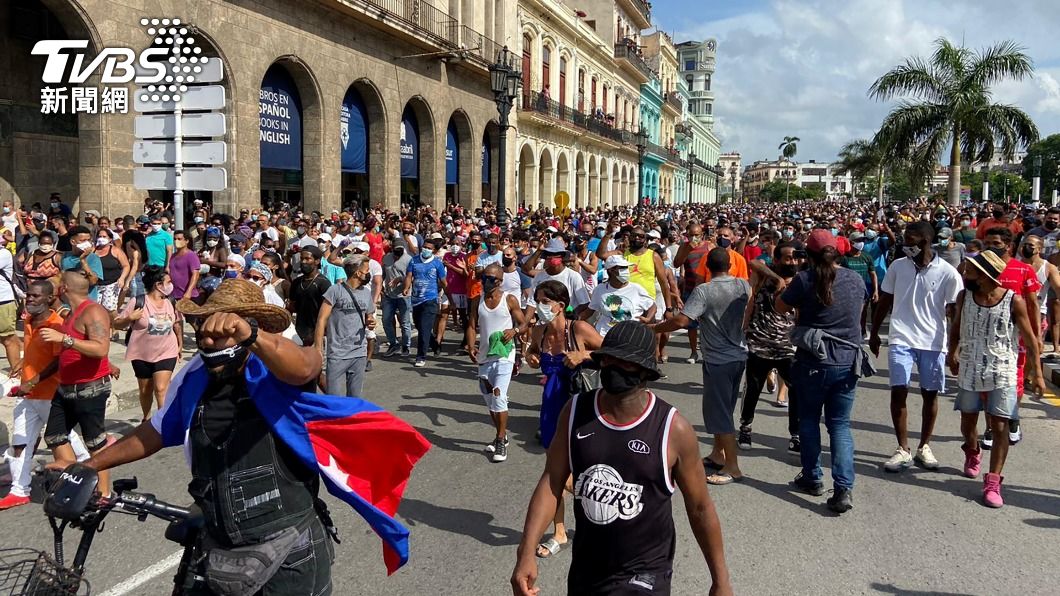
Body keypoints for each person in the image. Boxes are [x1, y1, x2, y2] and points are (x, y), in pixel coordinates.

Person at [49, 280, 338, 592]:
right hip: (220, 547)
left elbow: (306, 365)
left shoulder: (277, 372)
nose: (207, 336)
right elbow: (155, 432)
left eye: (220, 327)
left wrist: (252, 336)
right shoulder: (195, 380)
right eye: (201, 325)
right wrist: (89, 465)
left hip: (288, 553)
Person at [511, 321, 732, 596]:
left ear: (644, 371)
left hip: (644, 573)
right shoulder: (576, 411)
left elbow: (700, 507)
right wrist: (525, 552)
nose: (614, 367)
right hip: (587, 568)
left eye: (624, 362)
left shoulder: (672, 429)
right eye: (609, 359)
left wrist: (720, 581)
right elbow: (552, 481)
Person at [777, 229, 866, 513]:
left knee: (809, 420)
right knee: (840, 425)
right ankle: (843, 489)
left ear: (809, 255)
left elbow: (780, 307)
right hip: (847, 360)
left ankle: (813, 477)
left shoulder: (805, 279)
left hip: (813, 361)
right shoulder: (854, 278)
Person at [947, 250, 1044, 508]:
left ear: (985, 275)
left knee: (1000, 426)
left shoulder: (1014, 301)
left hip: (1002, 370)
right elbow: (956, 327)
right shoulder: (964, 297)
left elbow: (1031, 340)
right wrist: (951, 352)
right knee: (968, 422)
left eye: (969, 271)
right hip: (970, 368)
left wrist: (1036, 373)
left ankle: (993, 481)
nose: (964, 274)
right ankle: (972, 450)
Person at [654, 248, 753, 485]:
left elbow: (683, 320)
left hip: (718, 359)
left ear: (707, 266)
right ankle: (718, 454)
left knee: (719, 413)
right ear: (731, 264)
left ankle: (733, 466)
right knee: (725, 408)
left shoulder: (704, 290)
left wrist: (655, 329)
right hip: (739, 355)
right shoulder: (743, 286)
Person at [869, 221, 962, 473]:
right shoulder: (898, 266)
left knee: (929, 394)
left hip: (933, 342)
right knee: (898, 391)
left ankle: (924, 446)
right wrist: (875, 333)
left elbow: (955, 312)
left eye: (910, 239)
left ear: (925, 241)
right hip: (901, 338)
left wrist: (955, 347)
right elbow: (885, 300)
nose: (905, 244)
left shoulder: (948, 272)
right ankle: (902, 448)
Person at [524, 281, 602, 558]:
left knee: (584, 469)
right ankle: (559, 531)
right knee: (555, 471)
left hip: (582, 408)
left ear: (560, 304)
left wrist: (585, 355)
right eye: (538, 300)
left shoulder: (578, 329)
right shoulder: (539, 331)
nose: (540, 306)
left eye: (545, 301)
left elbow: (613, 355)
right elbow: (532, 352)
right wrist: (531, 356)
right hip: (551, 409)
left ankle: (599, 518)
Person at [0, 280, 89, 510]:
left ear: (50, 299)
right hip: (27, 397)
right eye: (28, 295)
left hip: (50, 396)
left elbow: (60, 360)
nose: (29, 299)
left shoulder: (56, 325)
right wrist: (23, 362)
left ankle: (90, 472)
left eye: (36, 296)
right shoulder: (29, 320)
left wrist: (34, 380)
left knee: (66, 439)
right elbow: (34, 350)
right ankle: (20, 490)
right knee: (21, 441)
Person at [41, 270, 113, 495]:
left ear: (64, 288)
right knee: (54, 435)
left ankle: (103, 494)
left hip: (89, 388)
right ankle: (76, 484)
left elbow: (101, 348)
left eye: (57, 284)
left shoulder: (93, 311)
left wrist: (65, 339)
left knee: (95, 444)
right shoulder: (71, 313)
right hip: (66, 388)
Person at [736, 242, 799, 451]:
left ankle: (796, 434)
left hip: (787, 346)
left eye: (795, 257)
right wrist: (776, 278)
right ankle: (746, 427)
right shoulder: (764, 276)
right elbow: (753, 262)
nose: (793, 261)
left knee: (797, 389)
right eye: (788, 258)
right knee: (753, 388)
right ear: (778, 259)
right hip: (759, 343)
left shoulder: (800, 280)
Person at [982, 227, 1041, 448]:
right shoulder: (980, 268)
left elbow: (1033, 304)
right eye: (987, 243)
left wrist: (1035, 336)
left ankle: (1012, 417)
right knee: (987, 385)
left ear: (1009, 246)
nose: (990, 248)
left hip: (1016, 338)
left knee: (1014, 384)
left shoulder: (1023, 270)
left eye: (996, 244)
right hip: (986, 338)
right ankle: (990, 427)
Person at [465, 263, 527, 462]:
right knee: (490, 400)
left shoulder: (508, 300)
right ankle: (502, 434)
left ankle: (500, 440)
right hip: (484, 356)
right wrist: (470, 345)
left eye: (491, 279)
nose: (486, 282)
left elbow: (524, 322)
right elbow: (472, 326)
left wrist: (515, 331)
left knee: (499, 395)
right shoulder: (477, 301)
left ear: (500, 281)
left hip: (504, 355)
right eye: (483, 278)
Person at [114, 265, 182, 420]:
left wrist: (180, 343)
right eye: (168, 281)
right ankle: (146, 417)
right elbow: (116, 324)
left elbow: (177, 323)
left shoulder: (171, 301)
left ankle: (161, 423)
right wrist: (129, 318)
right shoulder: (137, 302)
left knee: (161, 388)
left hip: (167, 351)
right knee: (146, 390)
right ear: (158, 285)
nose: (171, 284)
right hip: (142, 353)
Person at [314, 254, 375, 397]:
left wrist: (371, 322)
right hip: (337, 353)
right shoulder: (335, 290)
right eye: (366, 271)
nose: (368, 274)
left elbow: (369, 317)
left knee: (354, 399)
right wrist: (319, 348)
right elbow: (321, 319)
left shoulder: (366, 293)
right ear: (357, 273)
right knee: (333, 398)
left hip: (359, 352)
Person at [581, 255, 656, 336]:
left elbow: (652, 306)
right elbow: (590, 310)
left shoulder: (636, 289)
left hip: (630, 335)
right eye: (622, 268)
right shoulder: (600, 289)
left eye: (626, 267)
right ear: (610, 270)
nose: (626, 271)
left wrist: (648, 318)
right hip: (604, 336)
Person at [673, 222, 713, 363]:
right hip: (690, 290)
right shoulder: (684, 247)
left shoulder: (709, 246)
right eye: (691, 235)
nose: (694, 238)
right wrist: (687, 250)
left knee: (708, 323)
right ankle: (693, 352)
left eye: (697, 235)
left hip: (708, 290)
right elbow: (676, 263)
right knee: (690, 324)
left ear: (702, 235)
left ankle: (708, 352)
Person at [404, 235, 447, 367]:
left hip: (431, 299)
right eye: (424, 247)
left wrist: (447, 295)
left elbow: (443, 281)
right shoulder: (414, 261)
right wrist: (406, 288)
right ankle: (435, 344)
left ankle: (420, 356)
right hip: (416, 300)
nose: (426, 250)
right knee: (420, 326)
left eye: (429, 248)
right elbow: (409, 276)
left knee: (425, 328)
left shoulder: (437, 263)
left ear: (433, 251)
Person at [288, 246, 332, 346]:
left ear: (317, 261)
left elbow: (329, 313)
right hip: (298, 333)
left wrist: (318, 334)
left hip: (318, 335)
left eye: (307, 259)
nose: (303, 262)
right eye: (302, 258)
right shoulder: (296, 282)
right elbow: (292, 307)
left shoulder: (323, 283)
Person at [841, 233, 878, 338]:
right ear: (851, 242)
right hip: (847, 291)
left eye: (862, 240)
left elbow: (872, 274)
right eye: (859, 240)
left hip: (862, 291)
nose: (861, 243)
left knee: (862, 313)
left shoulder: (867, 257)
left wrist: (875, 291)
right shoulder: (844, 258)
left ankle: (861, 332)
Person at [381, 239, 413, 357]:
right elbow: (382, 274)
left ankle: (406, 346)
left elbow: (412, 277)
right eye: (396, 249)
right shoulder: (386, 258)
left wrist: (400, 279)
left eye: (401, 250)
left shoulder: (409, 259)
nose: (398, 252)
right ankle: (394, 344)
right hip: (389, 295)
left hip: (403, 296)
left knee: (405, 323)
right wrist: (380, 288)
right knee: (386, 320)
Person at [60, 225, 103, 301]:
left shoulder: (93, 258)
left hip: (87, 302)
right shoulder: (64, 257)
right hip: (68, 302)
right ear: (73, 242)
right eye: (83, 240)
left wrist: (83, 261)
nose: (87, 243)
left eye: (88, 240)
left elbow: (93, 281)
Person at [94, 228, 130, 312]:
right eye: (99, 236)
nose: (101, 238)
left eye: (104, 236)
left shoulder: (116, 251)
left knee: (109, 308)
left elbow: (126, 265)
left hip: (111, 284)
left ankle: (111, 324)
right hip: (96, 284)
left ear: (110, 239)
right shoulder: (93, 250)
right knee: (95, 308)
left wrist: (122, 278)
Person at [168, 229, 201, 301]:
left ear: (186, 241)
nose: (176, 241)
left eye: (179, 239)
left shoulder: (191, 256)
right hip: (174, 295)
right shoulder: (173, 256)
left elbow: (195, 274)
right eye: (175, 239)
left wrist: (188, 291)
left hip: (188, 296)